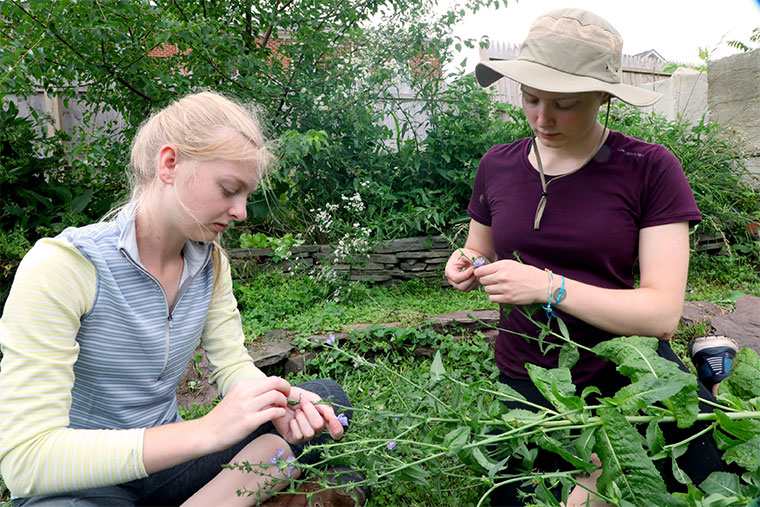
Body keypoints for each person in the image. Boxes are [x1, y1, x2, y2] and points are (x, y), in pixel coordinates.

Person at [0, 91, 360, 506]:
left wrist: (278, 403)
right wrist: (207, 431)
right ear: (169, 164)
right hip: (84, 481)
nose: (241, 211)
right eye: (229, 189)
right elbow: (25, 460)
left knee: (324, 399)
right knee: (338, 478)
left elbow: (233, 365)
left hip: (171, 469)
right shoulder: (64, 266)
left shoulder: (210, 263)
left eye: (246, 195)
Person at [444, 8, 737, 506]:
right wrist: (467, 261)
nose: (542, 118)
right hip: (527, 377)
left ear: (604, 97)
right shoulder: (496, 163)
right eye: (531, 99)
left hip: (629, 382)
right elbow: (481, 245)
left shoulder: (648, 168)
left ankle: (708, 378)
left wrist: (548, 287)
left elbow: (662, 314)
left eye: (565, 104)